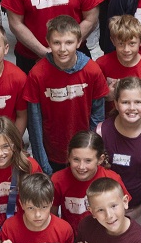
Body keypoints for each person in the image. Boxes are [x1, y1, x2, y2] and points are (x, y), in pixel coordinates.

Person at [23, 15, 109, 175]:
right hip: (52, 153)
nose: (63, 49)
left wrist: (91, 151)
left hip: (83, 152)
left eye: (69, 42)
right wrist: (42, 163)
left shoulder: (92, 70)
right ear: (48, 42)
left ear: (78, 42)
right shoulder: (37, 74)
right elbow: (34, 122)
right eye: (57, 43)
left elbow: (98, 117)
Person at [97, 77, 141, 232]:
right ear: (116, 103)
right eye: (125, 102)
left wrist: (140, 209)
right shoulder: (101, 133)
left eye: (137, 102)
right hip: (107, 209)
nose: (132, 108)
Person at [52, 130, 129, 233]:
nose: (81, 167)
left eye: (88, 160)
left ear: (100, 159)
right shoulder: (58, 180)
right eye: (76, 159)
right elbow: (52, 216)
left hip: (105, 236)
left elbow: (122, 213)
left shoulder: (112, 179)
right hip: (72, 237)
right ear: (69, 157)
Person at [96, 15, 141, 106]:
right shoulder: (101, 65)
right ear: (113, 41)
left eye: (132, 43)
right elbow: (91, 98)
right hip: (107, 118)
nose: (126, 49)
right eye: (121, 43)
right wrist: (105, 95)